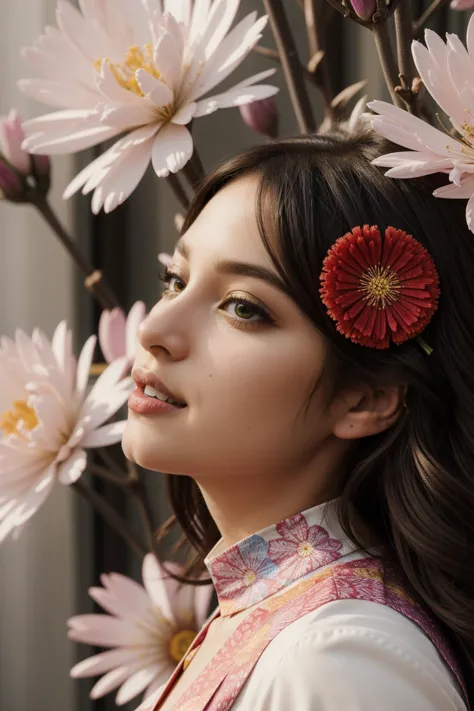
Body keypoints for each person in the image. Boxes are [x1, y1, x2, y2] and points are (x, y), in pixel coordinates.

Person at [122, 127, 474, 711]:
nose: (154, 331)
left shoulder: (339, 662)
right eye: (175, 281)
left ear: (365, 398)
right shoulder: (281, 627)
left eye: (243, 308)